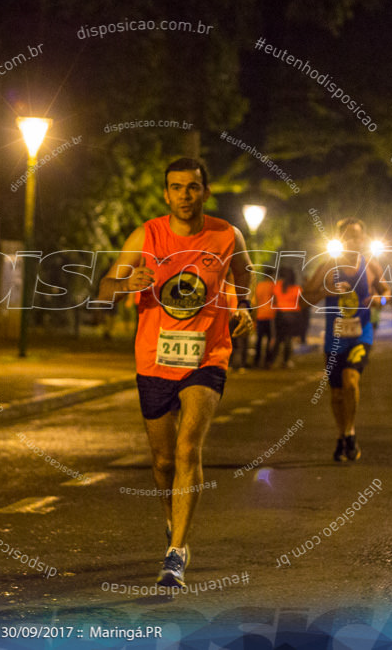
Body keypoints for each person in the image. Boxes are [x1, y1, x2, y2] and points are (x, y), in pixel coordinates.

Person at [97, 157, 253, 587]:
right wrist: (125, 285)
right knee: (163, 461)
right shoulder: (146, 235)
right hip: (153, 360)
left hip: (208, 356)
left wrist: (240, 307)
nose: (185, 195)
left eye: (193, 187)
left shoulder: (226, 235)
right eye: (177, 187)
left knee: (188, 450)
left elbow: (244, 275)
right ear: (166, 194)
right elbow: (104, 290)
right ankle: (171, 520)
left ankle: (175, 553)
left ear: (205, 191)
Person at [302, 217, 386, 462]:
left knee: (351, 382)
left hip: (361, 335)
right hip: (334, 339)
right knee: (337, 394)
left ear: (363, 239)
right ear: (340, 239)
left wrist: (381, 299)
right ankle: (343, 435)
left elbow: (385, 292)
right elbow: (305, 296)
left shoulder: (370, 265)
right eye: (347, 236)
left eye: (357, 236)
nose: (353, 240)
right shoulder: (328, 266)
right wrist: (324, 292)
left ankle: (349, 432)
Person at [267, 266, 302, 368]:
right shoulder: (297, 289)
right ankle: (285, 361)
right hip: (292, 315)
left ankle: (271, 361)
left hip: (280, 315)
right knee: (288, 339)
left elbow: (274, 300)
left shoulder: (277, 286)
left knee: (277, 339)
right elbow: (300, 303)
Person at [252, 275, 277, 368]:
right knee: (270, 340)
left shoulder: (259, 285)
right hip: (270, 315)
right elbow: (275, 299)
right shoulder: (273, 285)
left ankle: (256, 361)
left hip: (259, 315)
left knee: (259, 339)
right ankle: (268, 361)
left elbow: (255, 301)